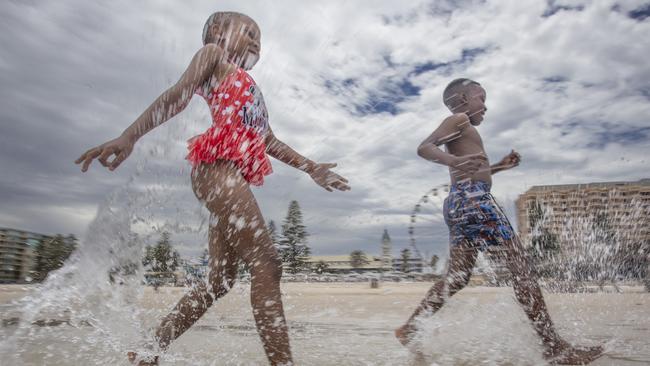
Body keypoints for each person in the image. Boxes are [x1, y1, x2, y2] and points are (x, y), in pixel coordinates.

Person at [75, 11, 350, 366]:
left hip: (227, 177)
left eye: (259, 37)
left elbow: (268, 139)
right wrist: (130, 135)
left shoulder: (247, 83)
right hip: (216, 171)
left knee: (220, 281)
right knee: (267, 262)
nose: (255, 40)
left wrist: (311, 167)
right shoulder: (212, 55)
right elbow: (178, 94)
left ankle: (148, 352)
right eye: (248, 31)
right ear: (218, 32)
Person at [395, 78, 603, 365]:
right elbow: (424, 147)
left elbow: (473, 170)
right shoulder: (458, 119)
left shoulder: (462, 129)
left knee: (457, 277)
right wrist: (453, 162)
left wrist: (500, 166)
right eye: (481, 98)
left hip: (460, 201)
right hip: (475, 200)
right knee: (522, 270)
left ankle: (411, 327)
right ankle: (553, 348)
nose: (486, 106)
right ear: (463, 99)